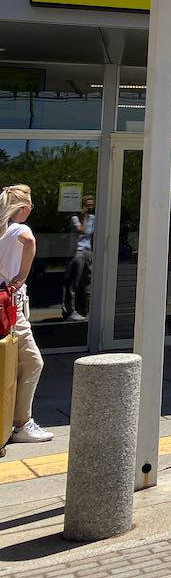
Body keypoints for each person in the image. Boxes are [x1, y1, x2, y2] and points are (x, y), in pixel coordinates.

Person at [0, 184, 53, 443]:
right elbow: (29, 242)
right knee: (33, 362)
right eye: (30, 206)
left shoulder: (2, 230)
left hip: (4, 304)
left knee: (9, 363)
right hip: (11, 308)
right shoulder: (21, 229)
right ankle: (22, 423)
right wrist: (21, 276)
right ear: (23, 208)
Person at [63, 195, 94, 321]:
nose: (90, 208)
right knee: (72, 282)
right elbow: (80, 230)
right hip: (77, 251)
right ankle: (70, 310)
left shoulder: (94, 218)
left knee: (87, 281)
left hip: (88, 251)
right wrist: (84, 216)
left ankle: (85, 310)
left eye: (92, 205)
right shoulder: (75, 218)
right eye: (87, 205)